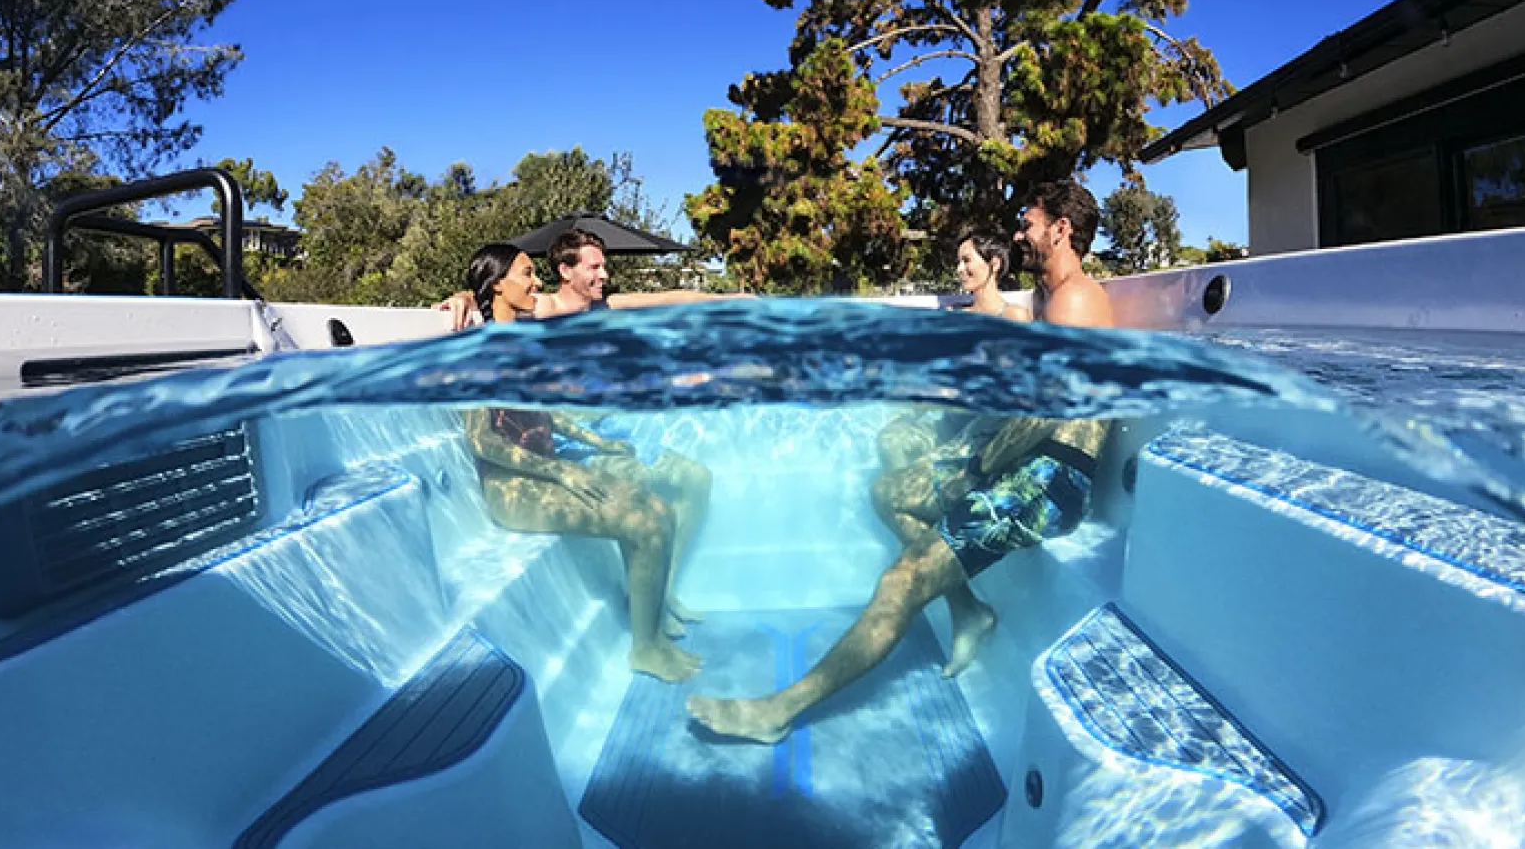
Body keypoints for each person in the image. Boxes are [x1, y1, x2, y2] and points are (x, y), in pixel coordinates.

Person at [686, 179, 1115, 743]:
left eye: (1028, 223)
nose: (1019, 234)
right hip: (1023, 459)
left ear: (1061, 230)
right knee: (888, 493)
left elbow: (1049, 415)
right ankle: (968, 610)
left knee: (902, 582)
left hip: (1051, 478)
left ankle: (778, 712)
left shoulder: (1076, 299)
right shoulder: (1053, 301)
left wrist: (979, 469)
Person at [460, 243, 703, 682]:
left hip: (545, 472)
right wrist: (560, 469)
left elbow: (542, 415)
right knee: (644, 524)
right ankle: (645, 649)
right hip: (511, 488)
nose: (536, 282)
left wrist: (595, 442)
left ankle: (651, 627)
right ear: (498, 285)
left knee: (660, 509)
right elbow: (482, 439)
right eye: (527, 273)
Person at [877, 231, 1031, 471]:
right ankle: (910, 494)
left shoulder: (1015, 317)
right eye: (958, 262)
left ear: (994, 263)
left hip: (988, 427)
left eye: (967, 260)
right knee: (890, 440)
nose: (959, 269)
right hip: (951, 423)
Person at [437, 228, 744, 329]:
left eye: (603, 267)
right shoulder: (542, 307)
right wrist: (462, 298)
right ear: (566, 271)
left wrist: (729, 300)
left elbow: (668, 296)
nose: (604, 275)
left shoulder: (604, 307)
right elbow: (493, 293)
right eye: (594, 268)